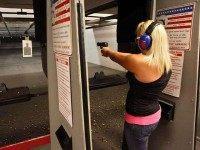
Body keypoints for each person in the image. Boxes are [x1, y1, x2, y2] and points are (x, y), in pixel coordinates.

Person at [101, 20, 172, 150]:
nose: (138, 42)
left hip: (138, 122)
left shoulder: (138, 62)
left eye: (140, 38)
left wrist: (108, 51)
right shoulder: (165, 61)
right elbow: (131, 57)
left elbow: (118, 56)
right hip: (154, 115)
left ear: (147, 40)